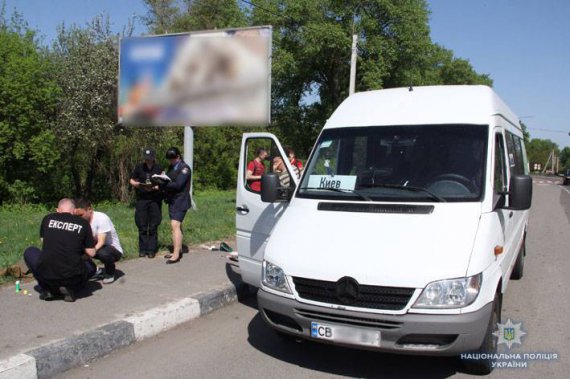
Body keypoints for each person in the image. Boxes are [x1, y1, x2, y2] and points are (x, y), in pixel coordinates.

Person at [23, 198, 96, 302]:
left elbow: (44, 243)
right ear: (74, 211)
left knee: (30, 251)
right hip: (71, 275)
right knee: (91, 267)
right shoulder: (83, 223)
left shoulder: (47, 218)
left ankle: (47, 288)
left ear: (58, 210)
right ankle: (72, 288)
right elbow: (91, 252)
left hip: (47, 274)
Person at [75, 199, 124, 284]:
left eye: (81, 215)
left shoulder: (101, 218)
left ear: (89, 209)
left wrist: (87, 255)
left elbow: (101, 242)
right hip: (95, 246)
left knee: (103, 253)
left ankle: (110, 272)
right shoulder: (80, 222)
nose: (78, 217)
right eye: (76, 215)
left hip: (112, 249)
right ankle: (94, 270)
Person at [129, 147, 163, 258]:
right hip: (142, 199)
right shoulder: (139, 167)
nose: (148, 160)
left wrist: (158, 186)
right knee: (142, 224)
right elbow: (132, 180)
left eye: (150, 158)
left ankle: (151, 250)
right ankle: (142, 249)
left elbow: (164, 180)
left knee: (153, 225)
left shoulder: (159, 167)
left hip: (155, 199)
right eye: (146, 158)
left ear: (154, 158)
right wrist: (137, 185)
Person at [160, 147, 192, 264]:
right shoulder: (172, 167)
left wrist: (163, 185)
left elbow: (178, 185)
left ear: (178, 157)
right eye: (169, 160)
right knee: (177, 227)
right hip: (172, 200)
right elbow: (170, 179)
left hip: (181, 201)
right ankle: (177, 250)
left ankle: (176, 255)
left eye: (172, 159)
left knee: (175, 225)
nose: (171, 161)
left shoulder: (185, 169)